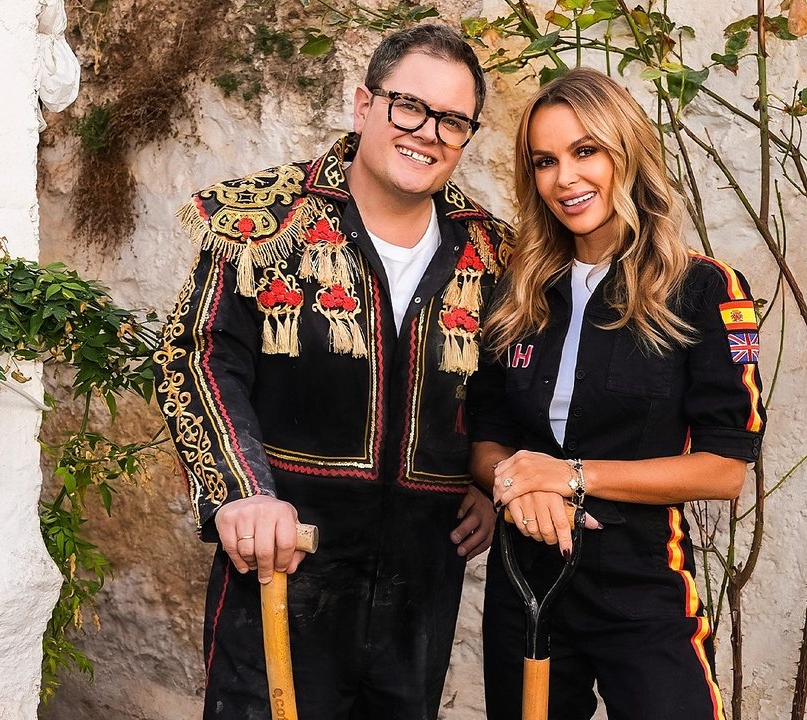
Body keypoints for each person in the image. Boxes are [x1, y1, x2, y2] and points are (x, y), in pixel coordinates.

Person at [155, 24, 512, 720]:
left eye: (452, 120)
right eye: (409, 106)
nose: (428, 132)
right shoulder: (259, 221)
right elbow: (200, 355)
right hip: (284, 559)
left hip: (420, 580)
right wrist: (242, 493)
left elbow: (500, 388)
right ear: (363, 104)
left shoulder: (492, 250)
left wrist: (482, 481)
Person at [468, 68, 767, 720]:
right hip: (526, 581)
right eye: (544, 161)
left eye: (586, 151)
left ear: (626, 153)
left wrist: (569, 476)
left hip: (642, 580)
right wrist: (518, 481)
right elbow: (486, 436)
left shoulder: (704, 289)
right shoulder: (515, 289)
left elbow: (724, 469)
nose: (565, 178)